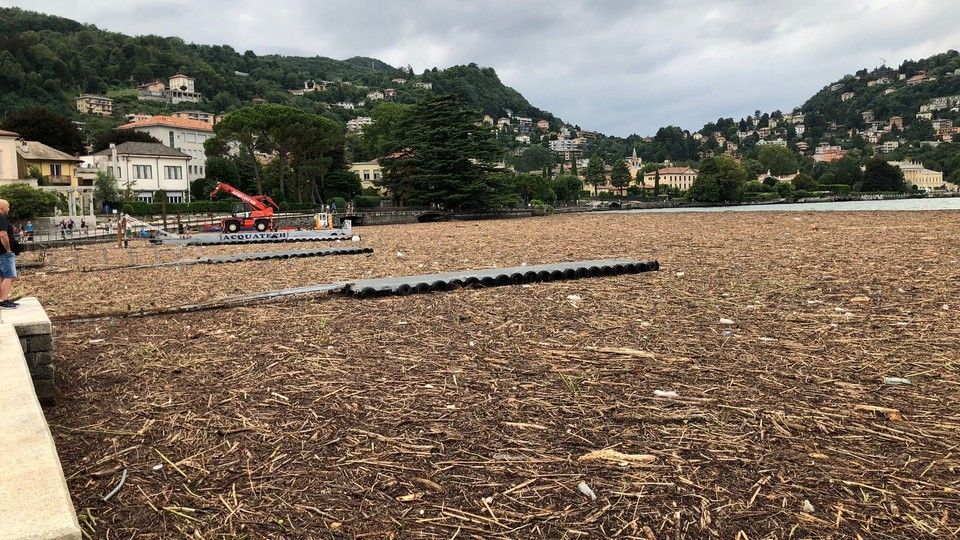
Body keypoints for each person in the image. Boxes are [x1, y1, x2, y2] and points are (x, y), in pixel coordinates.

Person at [0, 199, 21, 309]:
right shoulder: (1, 218)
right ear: (2, 207)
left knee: (2, 276)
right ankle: (4, 299)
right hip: (4, 252)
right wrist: (8, 249)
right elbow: (3, 234)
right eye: (7, 207)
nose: (9, 209)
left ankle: (1, 298)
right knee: (9, 276)